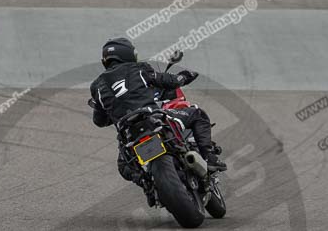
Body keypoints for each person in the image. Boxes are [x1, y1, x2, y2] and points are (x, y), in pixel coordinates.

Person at [89, 37, 227, 186]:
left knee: (123, 166)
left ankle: (146, 183)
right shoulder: (138, 68)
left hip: (128, 133)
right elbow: (171, 81)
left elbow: (99, 121)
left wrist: (115, 110)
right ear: (127, 54)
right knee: (197, 114)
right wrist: (185, 76)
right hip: (152, 119)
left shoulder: (97, 86)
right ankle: (210, 158)